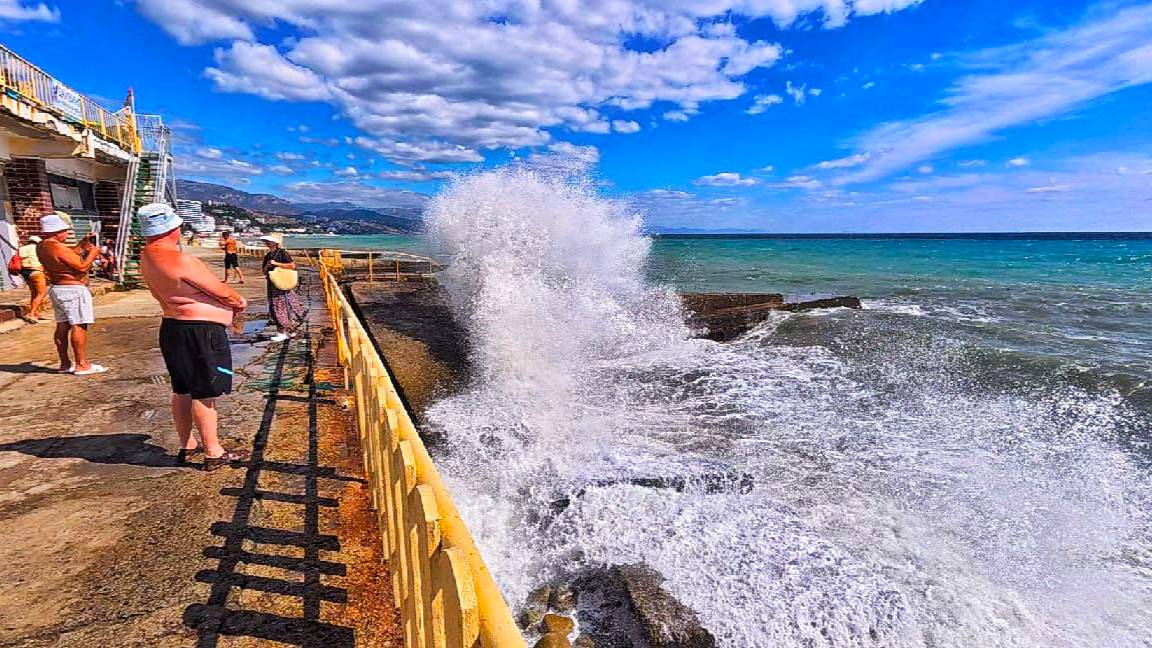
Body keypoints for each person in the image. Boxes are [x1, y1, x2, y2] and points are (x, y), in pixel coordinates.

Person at [137, 203, 250, 470]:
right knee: (204, 393)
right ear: (171, 229)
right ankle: (214, 452)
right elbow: (222, 292)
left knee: (183, 389)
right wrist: (238, 302)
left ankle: (187, 445)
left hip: (172, 328)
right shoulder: (182, 261)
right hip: (200, 332)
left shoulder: (146, 257)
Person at [37, 212, 106, 375]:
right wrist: (93, 254)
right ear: (56, 231)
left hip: (57, 288)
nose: (67, 234)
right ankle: (82, 364)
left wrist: (83, 245)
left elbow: (66, 257)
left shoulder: (42, 246)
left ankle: (65, 363)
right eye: (65, 231)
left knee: (62, 325)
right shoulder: (57, 246)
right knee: (79, 325)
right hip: (73, 289)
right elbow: (81, 267)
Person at [260, 233, 306, 343]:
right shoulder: (268, 255)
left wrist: (276, 263)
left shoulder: (282, 253)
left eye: (269, 241)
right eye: (266, 241)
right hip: (273, 283)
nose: (266, 243)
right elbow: (264, 271)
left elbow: (292, 266)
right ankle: (288, 331)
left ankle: (283, 332)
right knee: (276, 306)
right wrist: (268, 265)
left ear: (275, 243)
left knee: (281, 306)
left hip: (282, 283)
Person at [17, 235, 47, 322]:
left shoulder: (22, 248)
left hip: (24, 272)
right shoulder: (38, 248)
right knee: (41, 293)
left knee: (34, 293)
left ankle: (36, 312)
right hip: (36, 271)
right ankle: (32, 314)